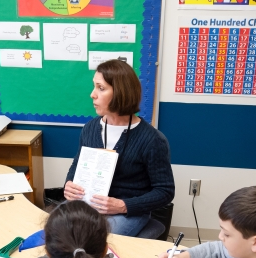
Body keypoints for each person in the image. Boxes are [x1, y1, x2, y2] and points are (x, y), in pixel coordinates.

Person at [64, 59, 174, 237]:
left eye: (101, 88)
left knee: (93, 240)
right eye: (94, 87)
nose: (92, 94)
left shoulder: (152, 140)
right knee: (56, 229)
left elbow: (165, 191)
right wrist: (69, 184)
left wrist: (123, 205)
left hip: (127, 211)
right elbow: (76, 165)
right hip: (88, 204)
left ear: (120, 92)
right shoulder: (90, 128)